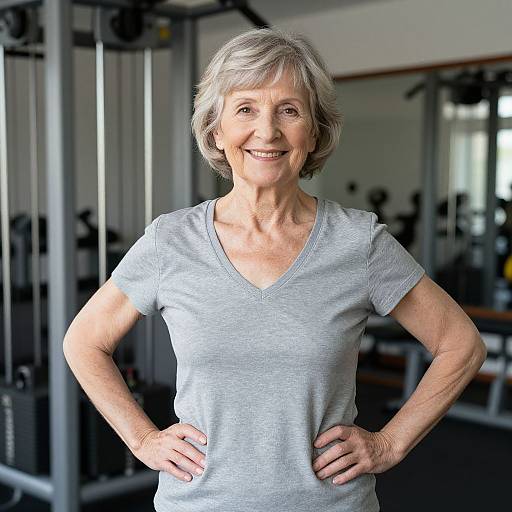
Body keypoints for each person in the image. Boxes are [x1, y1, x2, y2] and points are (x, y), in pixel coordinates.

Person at [63, 27, 487, 512]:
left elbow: (461, 344)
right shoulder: (170, 241)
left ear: (315, 130)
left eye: (289, 110)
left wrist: (389, 443)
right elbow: (84, 342)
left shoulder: (359, 242)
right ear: (216, 130)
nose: (267, 131)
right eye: (246, 109)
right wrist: (142, 440)